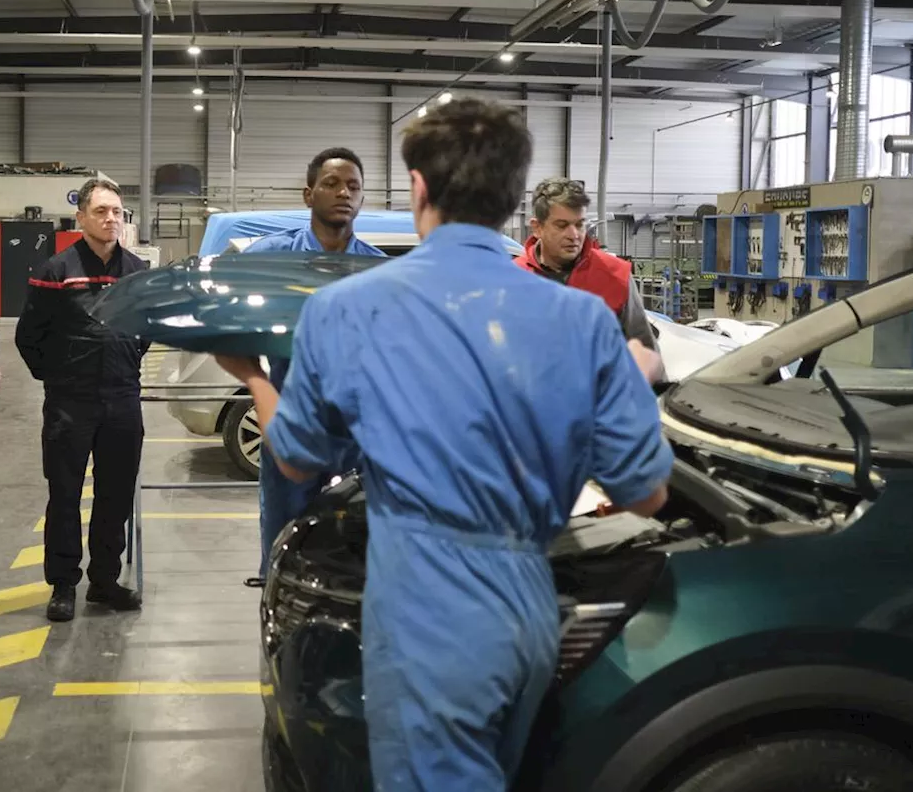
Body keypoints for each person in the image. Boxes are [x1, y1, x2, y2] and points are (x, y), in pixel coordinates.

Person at [214, 99, 673, 790]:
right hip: (533, 604)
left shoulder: (350, 307)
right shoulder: (581, 318)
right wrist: (639, 378)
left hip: (426, 607)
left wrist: (252, 377)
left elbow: (295, 456)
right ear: (518, 203)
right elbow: (646, 492)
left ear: (419, 189)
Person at [240, 146, 385, 586]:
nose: (344, 193)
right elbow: (231, 319)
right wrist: (257, 380)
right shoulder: (270, 259)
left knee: (366, 538)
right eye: (332, 183)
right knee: (285, 536)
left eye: (354, 187)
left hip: (362, 427)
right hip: (294, 419)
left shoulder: (376, 269)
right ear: (308, 195)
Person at [15, 177, 148, 622]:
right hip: (71, 402)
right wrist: (58, 377)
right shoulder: (56, 271)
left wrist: (123, 360)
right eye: (100, 212)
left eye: (116, 212)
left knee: (116, 494)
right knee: (65, 494)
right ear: (81, 218)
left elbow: (144, 332)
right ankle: (63, 584)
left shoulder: (137, 272)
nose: (110, 219)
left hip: (122, 398)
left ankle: (105, 582)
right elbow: (29, 336)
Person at [516, 177, 666, 383]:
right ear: (537, 227)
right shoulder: (513, 278)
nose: (574, 235)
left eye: (580, 224)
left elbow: (645, 350)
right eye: (562, 225)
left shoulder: (614, 274)